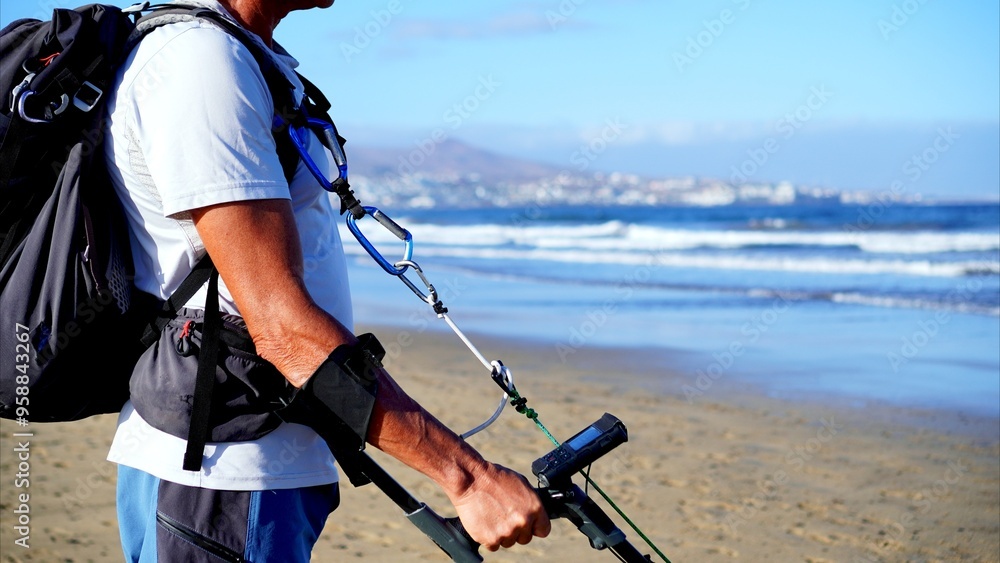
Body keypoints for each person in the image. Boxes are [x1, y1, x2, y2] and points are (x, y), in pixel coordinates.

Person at [102, 0, 550, 560]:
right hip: (225, 475)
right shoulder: (201, 62)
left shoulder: (240, 51)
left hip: (247, 465)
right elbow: (281, 327)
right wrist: (469, 478)